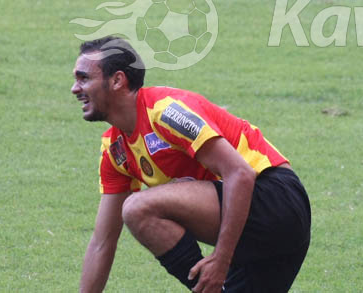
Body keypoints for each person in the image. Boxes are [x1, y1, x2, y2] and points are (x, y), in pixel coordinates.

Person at [73, 36, 311, 293]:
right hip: (257, 236)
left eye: (84, 78)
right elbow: (102, 242)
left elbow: (240, 173)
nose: (75, 88)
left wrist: (221, 261)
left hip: (276, 199)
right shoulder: (115, 151)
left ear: (117, 80)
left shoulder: (166, 111)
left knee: (137, 208)